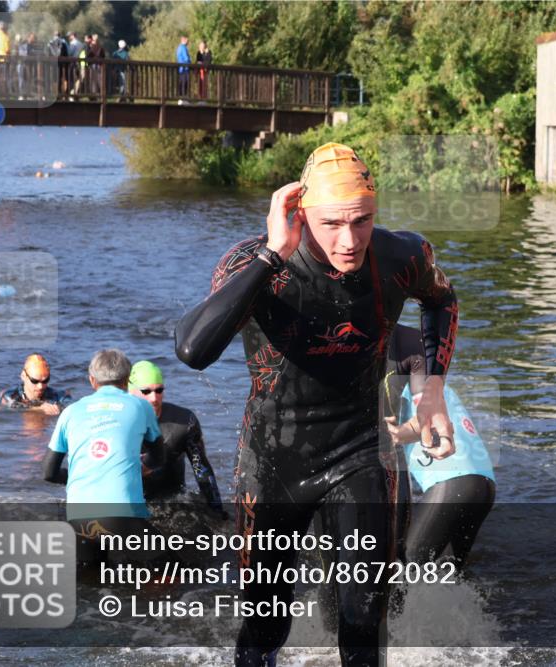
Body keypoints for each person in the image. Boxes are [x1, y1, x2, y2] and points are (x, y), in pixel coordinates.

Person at [175, 142, 459, 667]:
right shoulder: (254, 261)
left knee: (362, 615)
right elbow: (193, 349)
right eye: (331, 223)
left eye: (362, 221)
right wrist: (272, 255)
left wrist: (431, 388)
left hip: (360, 452)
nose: (349, 240)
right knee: (266, 620)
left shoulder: (402, 256)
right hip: (273, 461)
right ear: (299, 213)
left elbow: (442, 300)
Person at [384, 325, 495, 567]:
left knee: (407, 564)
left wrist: (393, 435)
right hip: (484, 485)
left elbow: (423, 424)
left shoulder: (396, 384)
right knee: (449, 573)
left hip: (451, 485)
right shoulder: (435, 388)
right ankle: (469, 606)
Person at [42, 349, 163, 564]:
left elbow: (48, 473)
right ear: (127, 380)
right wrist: (141, 466)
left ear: (92, 380)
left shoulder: (69, 412)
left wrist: (80, 475)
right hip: (123, 517)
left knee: (90, 582)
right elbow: (158, 456)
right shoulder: (141, 406)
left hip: (79, 518)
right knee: (173, 572)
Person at [128, 360, 227, 518]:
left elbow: (202, 472)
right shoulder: (116, 424)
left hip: (174, 503)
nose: (154, 398)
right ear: (130, 392)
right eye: (146, 391)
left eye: (159, 390)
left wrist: (218, 514)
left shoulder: (184, 422)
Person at [0, 353, 72, 416]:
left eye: (45, 381)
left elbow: (71, 407)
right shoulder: (9, 395)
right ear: (23, 376)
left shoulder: (59, 396)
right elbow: (11, 407)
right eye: (34, 381)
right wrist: (39, 409)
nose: (40, 387)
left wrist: (58, 407)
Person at [175, 35, 189, 101]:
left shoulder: (179, 48)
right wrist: (190, 63)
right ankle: (184, 98)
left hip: (180, 68)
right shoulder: (183, 47)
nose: (188, 42)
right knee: (184, 83)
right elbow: (186, 58)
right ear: (184, 40)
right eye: (187, 40)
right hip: (184, 68)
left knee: (181, 83)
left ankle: (180, 98)